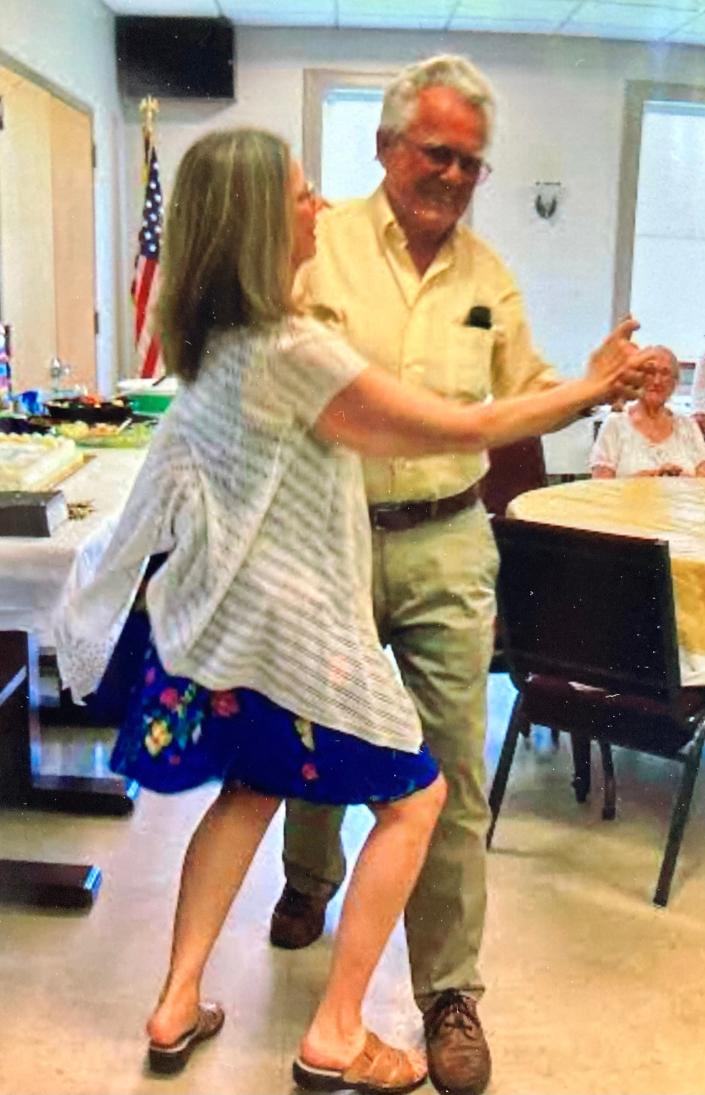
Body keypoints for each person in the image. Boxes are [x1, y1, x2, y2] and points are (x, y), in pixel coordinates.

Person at [55, 128, 644, 1094]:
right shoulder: (292, 352)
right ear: (254, 224)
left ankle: (174, 1004)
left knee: (247, 791)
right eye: (299, 195)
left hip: (233, 635)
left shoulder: (210, 346)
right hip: (299, 639)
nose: (319, 207)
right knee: (416, 799)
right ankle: (335, 1031)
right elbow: (465, 427)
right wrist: (589, 386)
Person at [271, 52, 592, 1095]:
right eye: (436, 153)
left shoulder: (489, 276)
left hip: (451, 537)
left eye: (471, 163)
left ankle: (449, 991)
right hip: (332, 533)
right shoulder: (320, 251)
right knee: (317, 734)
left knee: (446, 770)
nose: (453, 176)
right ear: (387, 146)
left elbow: (531, 388)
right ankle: (308, 878)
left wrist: (604, 383)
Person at [591, 345, 705, 478]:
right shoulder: (615, 425)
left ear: (674, 383)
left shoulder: (688, 426)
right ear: (637, 378)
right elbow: (600, 487)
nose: (657, 381)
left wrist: (683, 479)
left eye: (665, 373)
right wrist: (643, 481)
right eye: (650, 372)